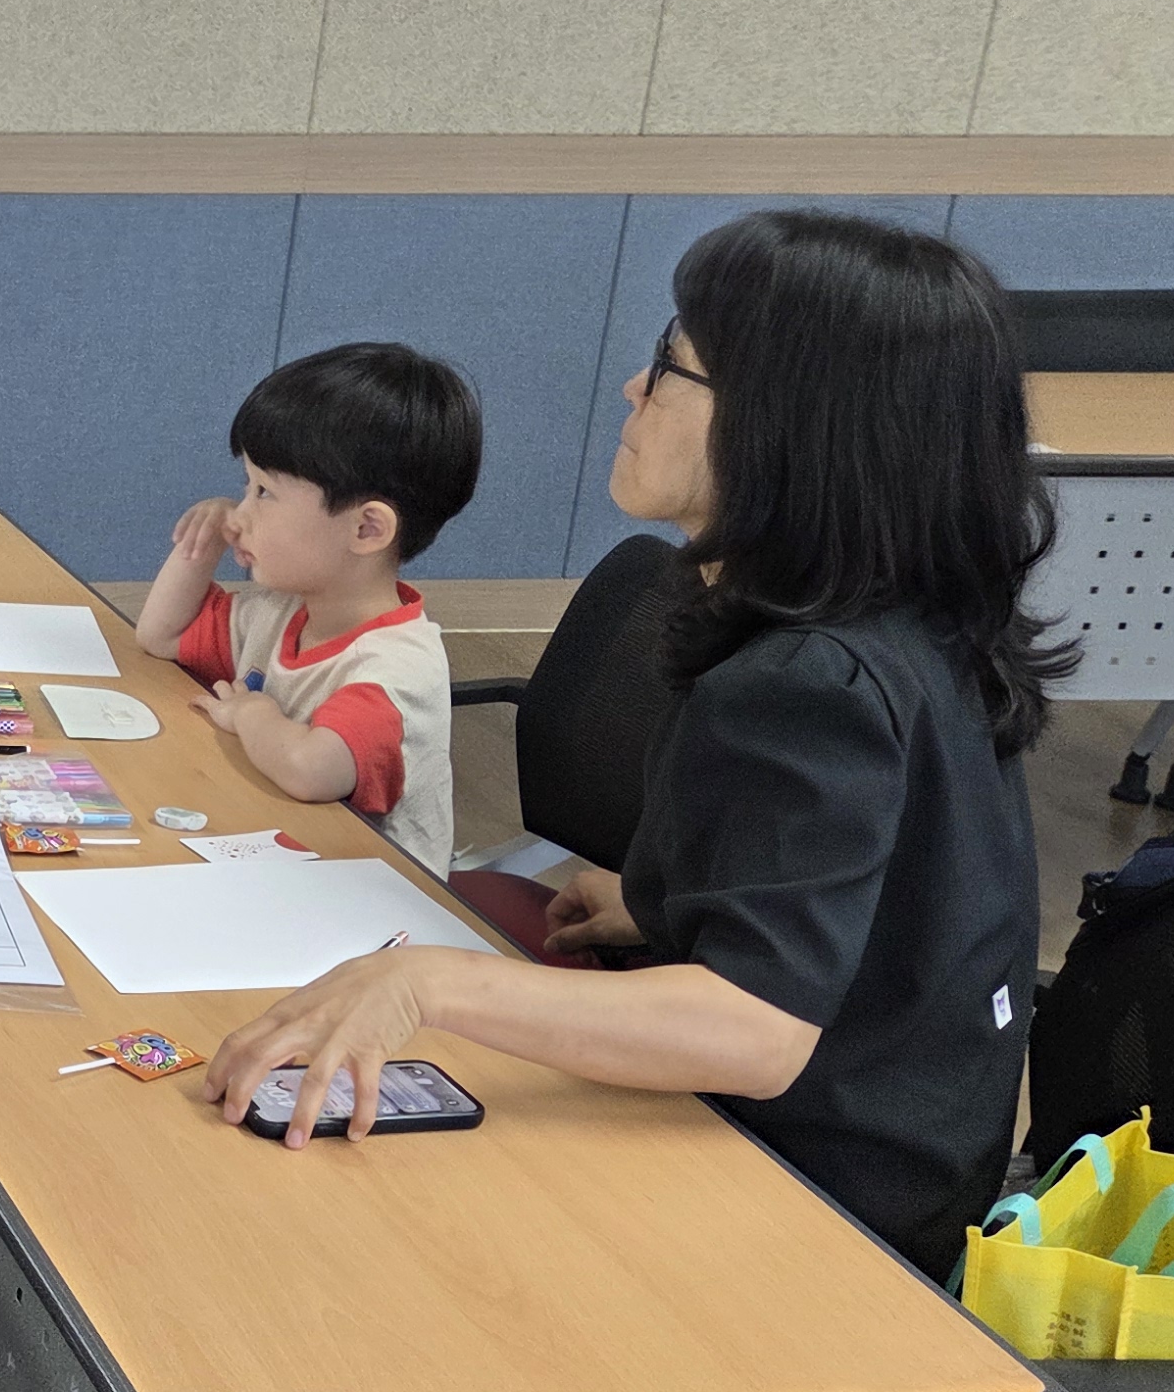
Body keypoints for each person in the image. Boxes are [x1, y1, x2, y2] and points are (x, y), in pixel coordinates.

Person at [203, 210, 1067, 1283]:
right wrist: (668, 903)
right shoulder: (905, 611)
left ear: (782, 421)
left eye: (668, 365)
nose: (632, 388)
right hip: (904, 1159)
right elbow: (892, 897)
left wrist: (429, 985)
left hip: (809, 1215)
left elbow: (754, 1031)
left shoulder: (810, 681)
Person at [134, 342, 482, 875]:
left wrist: (253, 714)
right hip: (292, 857)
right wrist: (202, 545)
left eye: (265, 493)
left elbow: (309, 769)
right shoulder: (283, 611)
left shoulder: (395, 669)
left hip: (377, 900)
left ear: (366, 529)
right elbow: (160, 636)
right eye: (246, 485)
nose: (239, 514)